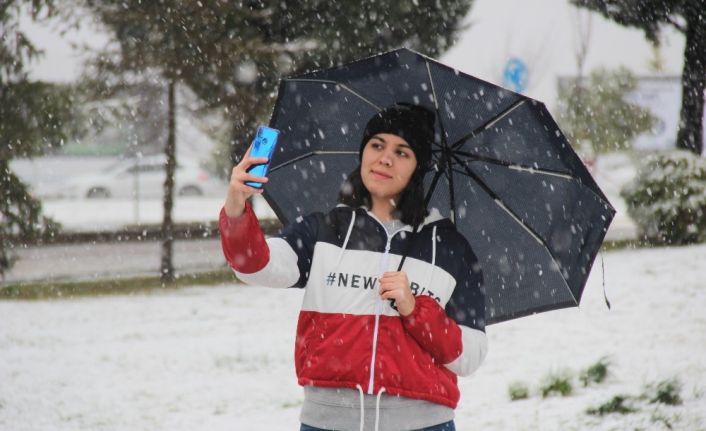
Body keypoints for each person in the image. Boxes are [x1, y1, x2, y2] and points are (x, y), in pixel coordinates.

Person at [219, 103, 488, 431]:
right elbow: (254, 267)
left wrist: (415, 309)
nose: (385, 158)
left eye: (402, 152)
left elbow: (470, 356)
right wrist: (236, 208)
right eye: (377, 145)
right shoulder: (324, 229)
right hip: (327, 423)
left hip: (422, 425)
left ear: (419, 167)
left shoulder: (451, 248)